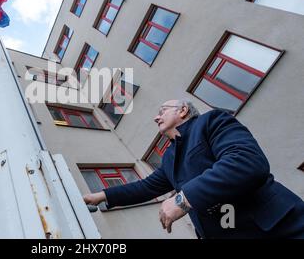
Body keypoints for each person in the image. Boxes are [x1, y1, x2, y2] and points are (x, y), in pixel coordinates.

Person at [83, 99, 304, 238]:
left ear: (183, 110)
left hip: (278, 229)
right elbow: (145, 187)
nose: (155, 117)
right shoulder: (169, 157)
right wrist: (100, 196)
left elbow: (246, 161)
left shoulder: (211, 121)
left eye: (162, 110)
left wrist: (183, 199)